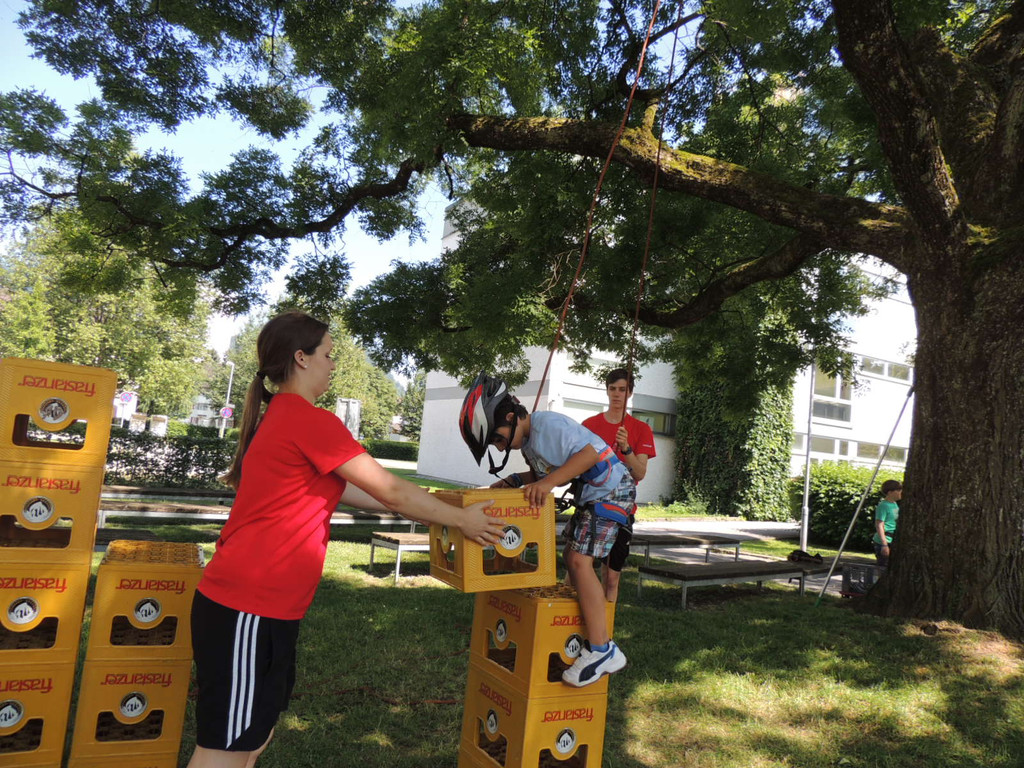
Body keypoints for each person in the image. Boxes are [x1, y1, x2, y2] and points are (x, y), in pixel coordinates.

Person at [188, 312, 505, 768]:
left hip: (266, 608)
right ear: (301, 358)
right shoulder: (307, 420)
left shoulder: (286, 418)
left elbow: (371, 494)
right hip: (246, 606)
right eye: (328, 354)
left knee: (253, 738)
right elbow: (392, 491)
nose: (333, 364)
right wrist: (460, 520)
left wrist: (440, 505)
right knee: (223, 751)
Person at [459, 372, 635, 688]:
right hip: (595, 494)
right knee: (572, 559)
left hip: (612, 490)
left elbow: (589, 454)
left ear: (510, 417)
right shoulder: (529, 443)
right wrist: (515, 481)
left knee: (579, 561)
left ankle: (603, 649)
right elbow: (546, 472)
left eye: (497, 439)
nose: (500, 446)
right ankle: (591, 634)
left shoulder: (547, 426)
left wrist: (548, 483)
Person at [582, 367, 657, 602]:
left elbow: (640, 473)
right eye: (612, 388)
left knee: (611, 578)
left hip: (621, 512)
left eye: (622, 389)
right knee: (578, 569)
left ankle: (606, 622)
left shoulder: (641, 429)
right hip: (590, 507)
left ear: (630, 393)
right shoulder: (589, 425)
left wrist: (626, 449)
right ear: (607, 391)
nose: (617, 394)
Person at [873, 479, 902, 566]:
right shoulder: (883, 505)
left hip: (893, 539)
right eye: (898, 490)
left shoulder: (894, 504)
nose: (901, 492)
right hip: (885, 540)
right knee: (884, 567)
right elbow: (879, 524)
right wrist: (884, 545)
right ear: (890, 492)